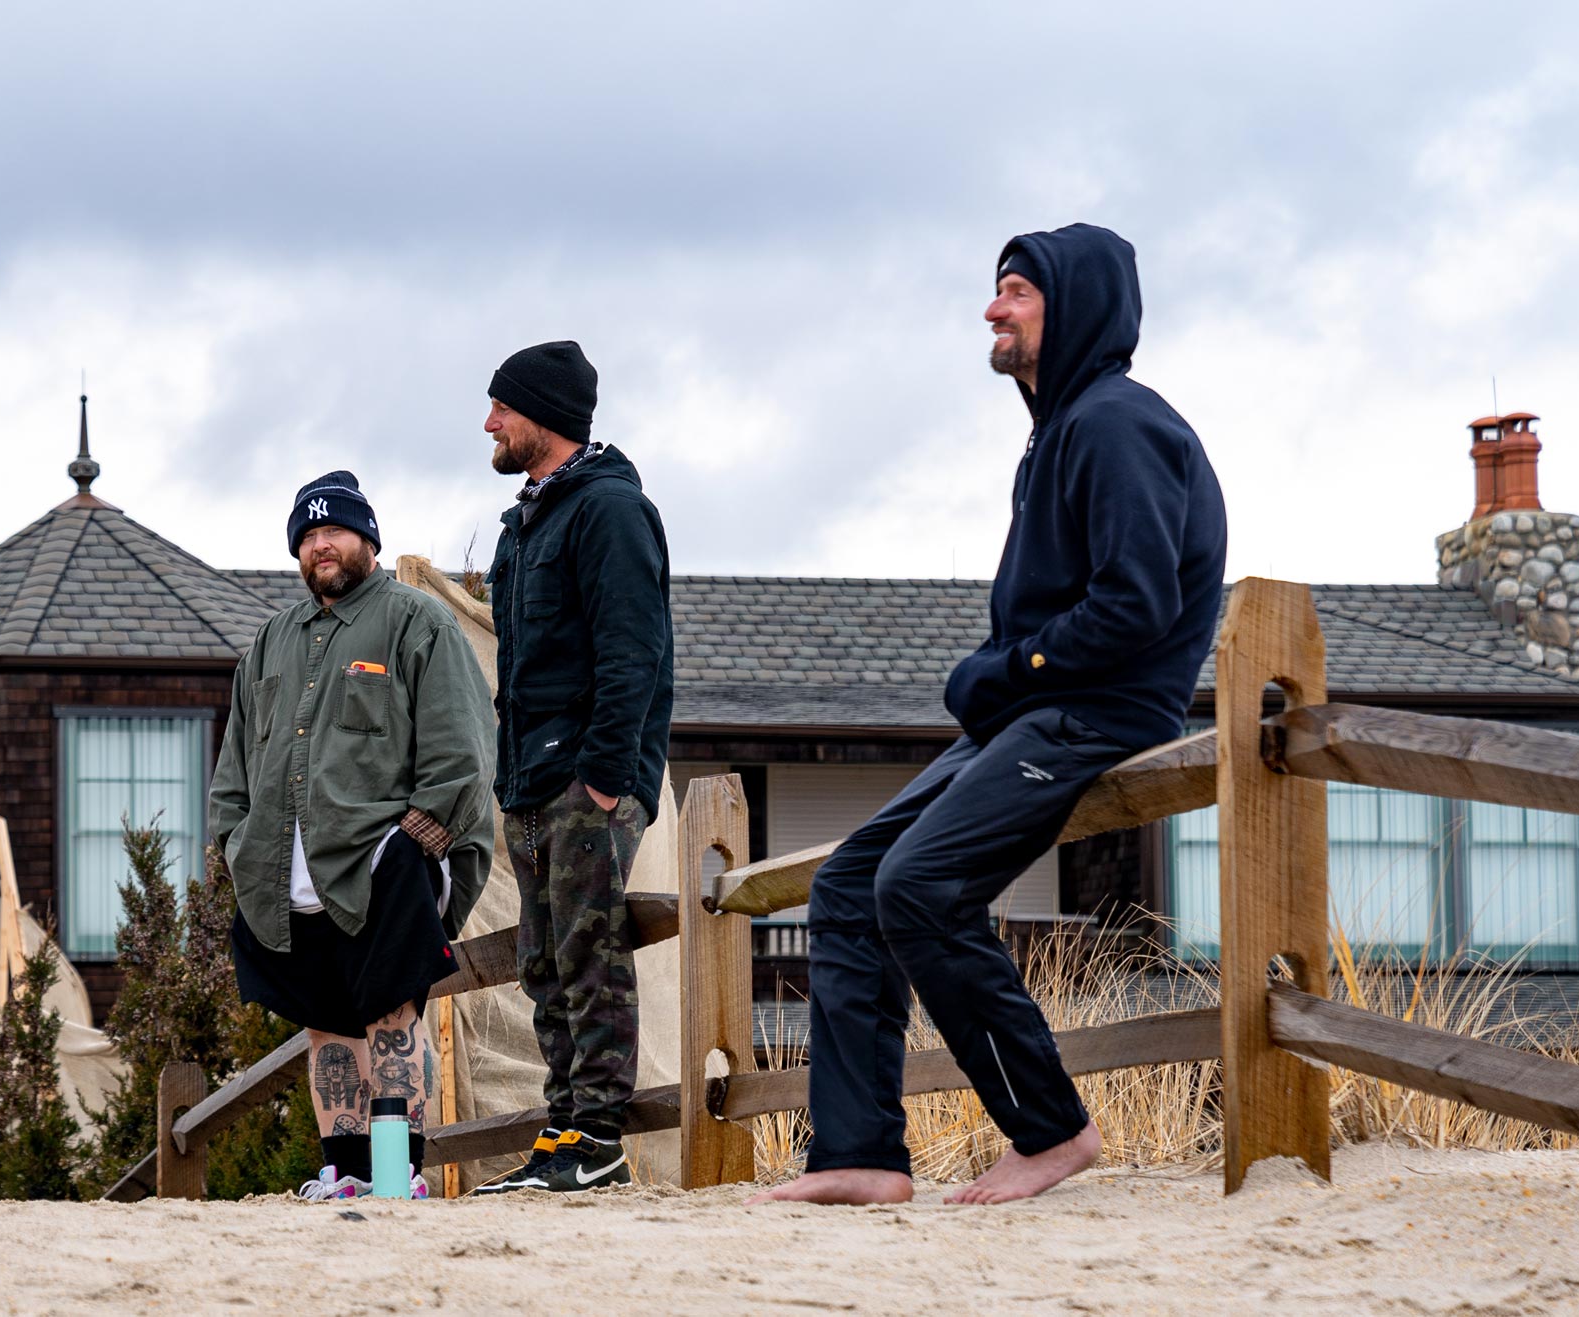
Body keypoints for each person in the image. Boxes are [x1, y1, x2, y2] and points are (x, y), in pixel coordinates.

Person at [752, 224, 1227, 1207]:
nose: (990, 308)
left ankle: (1050, 1129)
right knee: (848, 884)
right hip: (1033, 715)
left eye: (1014, 290)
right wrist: (1004, 680)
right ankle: (861, 1154)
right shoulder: (1058, 431)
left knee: (919, 887)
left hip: (1097, 713)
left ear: (1074, 307)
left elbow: (1134, 602)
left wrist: (1012, 667)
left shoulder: (1114, 424)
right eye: (995, 289)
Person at [209, 470, 496, 1201]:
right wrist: (235, 842)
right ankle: (347, 1172)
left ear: (369, 538)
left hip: (385, 860)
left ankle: (397, 1172)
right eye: (306, 536)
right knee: (326, 1026)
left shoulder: (413, 620)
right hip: (288, 875)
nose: (320, 545)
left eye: (333, 530)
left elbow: (462, 744)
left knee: (392, 1013)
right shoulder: (272, 640)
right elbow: (236, 760)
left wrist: (417, 839)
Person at [474, 340, 675, 1193]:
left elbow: (633, 654)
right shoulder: (526, 523)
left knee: (592, 955)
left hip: (586, 783)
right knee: (543, 962)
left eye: (502, 409)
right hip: (526, 782)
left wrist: (603, 778)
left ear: (543, 416)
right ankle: (563, 1136)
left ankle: (600, 1136)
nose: (489, 423)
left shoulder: (610, 512)